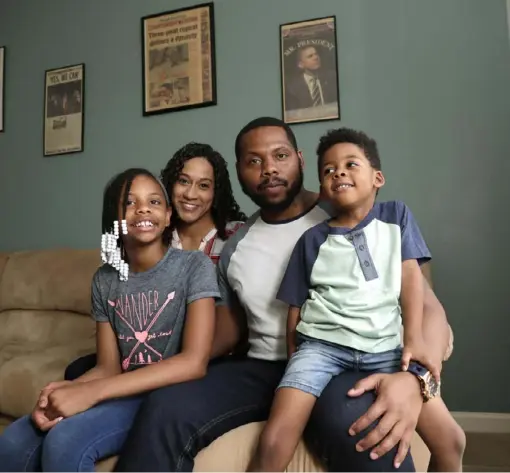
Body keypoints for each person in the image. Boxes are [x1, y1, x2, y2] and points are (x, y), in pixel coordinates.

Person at [113, 117, 453, 472]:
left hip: (343, 362)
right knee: (167, 406)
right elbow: (228, 333)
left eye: (280, 156)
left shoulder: (350, 214)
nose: (269, 169)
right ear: (240, 173)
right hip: (261, 369)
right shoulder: (236, 246)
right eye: (254, 161)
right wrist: (155, 358)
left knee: (362, 427)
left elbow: (429, 309)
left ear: (301, 160)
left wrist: (417, 379)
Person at [247, 127, 466, 472]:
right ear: (322, 188)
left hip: (387, 349)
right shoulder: (311, 241)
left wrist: (413, 341)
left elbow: (412, 278)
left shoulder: (397, 217)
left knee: (453, 441)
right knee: (275, 440)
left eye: (351, 164)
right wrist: (295, 366)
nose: (339, 173)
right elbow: (296, 309)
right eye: (329, 171)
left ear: (377, 177)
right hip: (321, 349)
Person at [0, 168, 219, 471]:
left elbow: (194, 362)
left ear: (168, 215)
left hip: (163, 399)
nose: (143, 208)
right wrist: (62, 391)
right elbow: (108, 367)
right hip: (119, 389)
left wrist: (91, 392)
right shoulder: (104, 280)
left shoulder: (195, 266)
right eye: (130, 203)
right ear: (113, 219)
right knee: (13, 440)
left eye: (154, 202)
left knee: (66, 440)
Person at [64, 144, 247, 380]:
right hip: (154, 345)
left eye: (203, 185)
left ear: (216, 193)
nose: (191, 194)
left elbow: (231, 324)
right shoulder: (152, 235)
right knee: (77, 370)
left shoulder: (234, 239)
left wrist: (174, 363)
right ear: (169, 186)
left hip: (208, 352)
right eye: (183, 181)